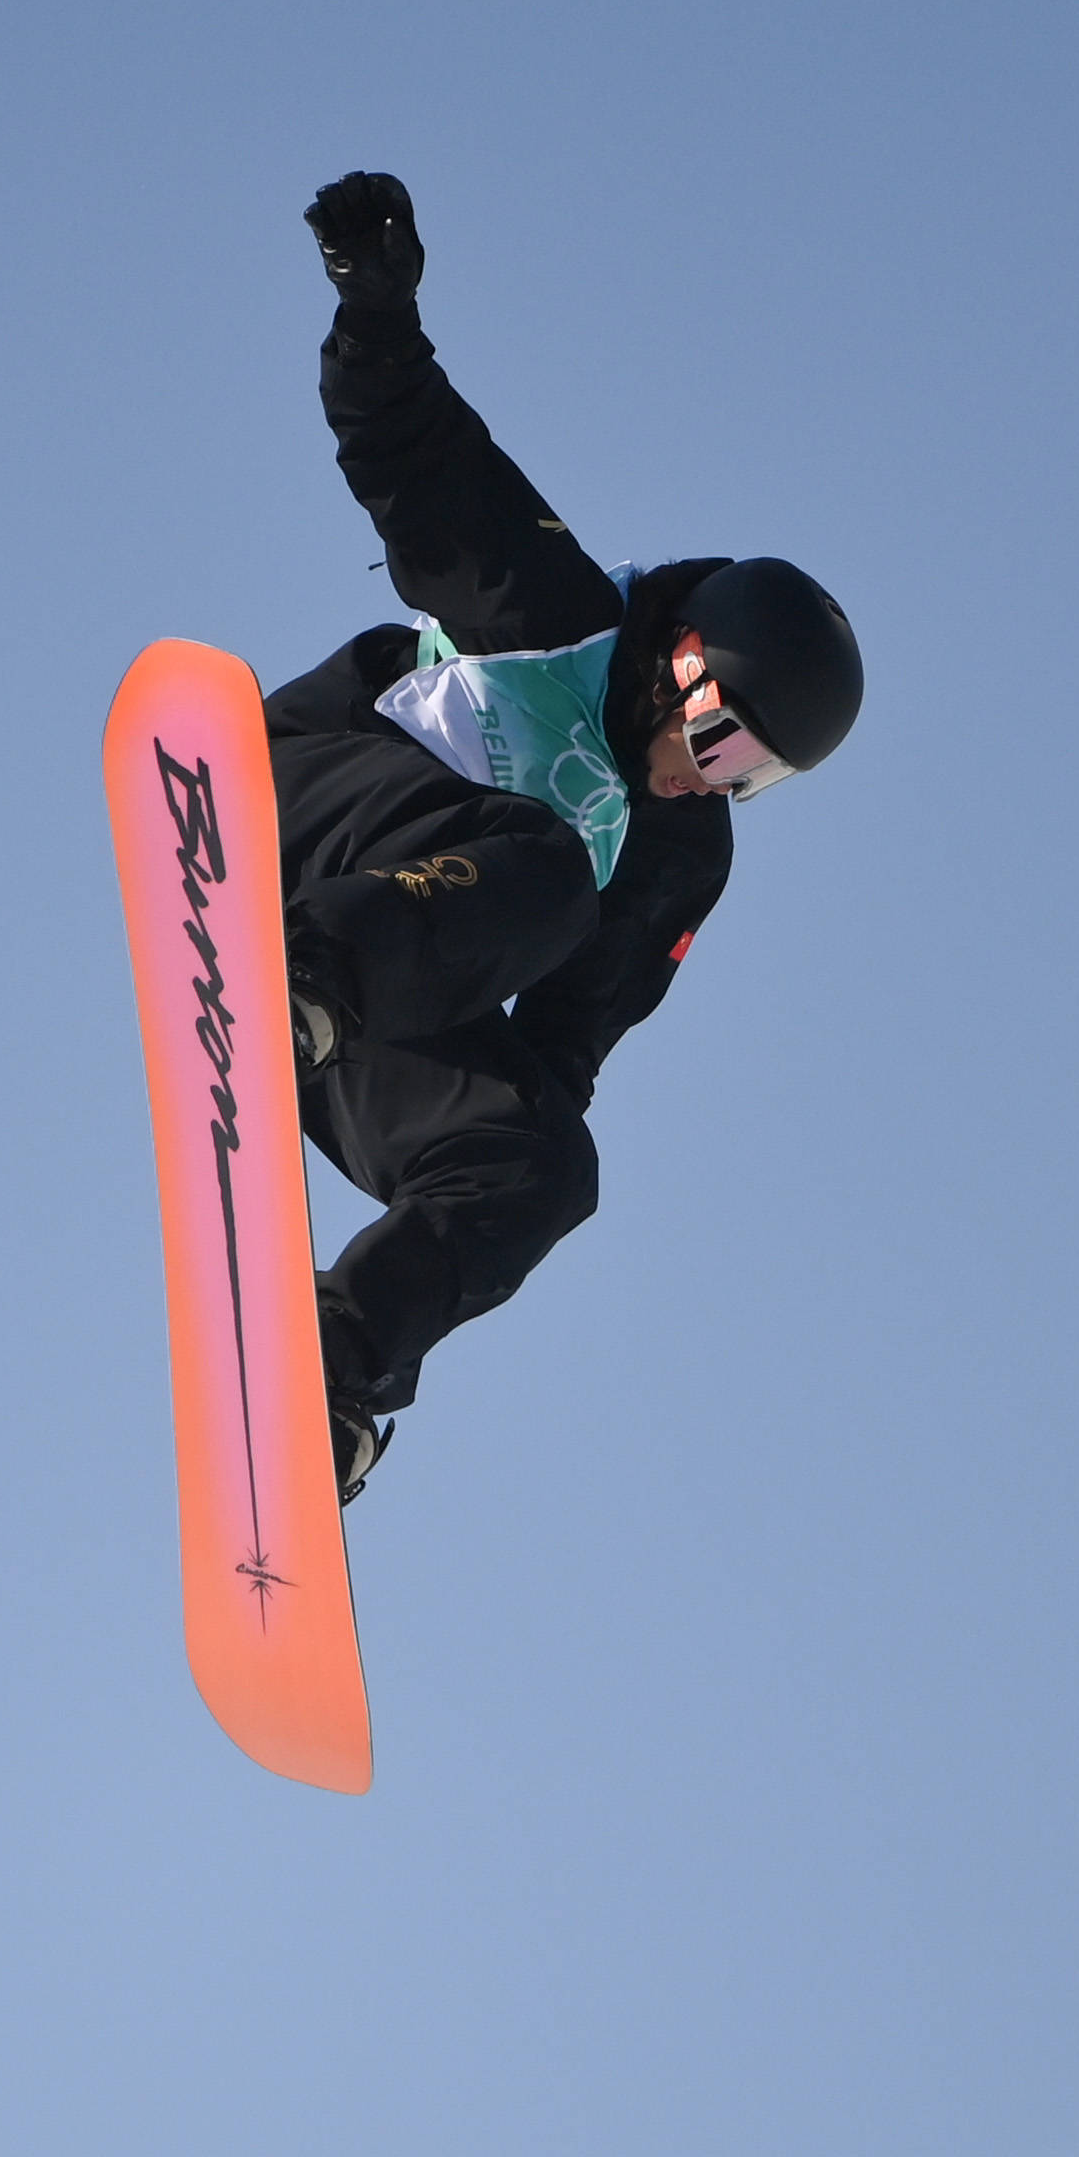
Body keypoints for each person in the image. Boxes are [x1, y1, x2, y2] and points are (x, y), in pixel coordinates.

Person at [268, 170, 862, 1501]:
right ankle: (296, 978)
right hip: (311, 817)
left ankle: (330, 1367)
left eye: (755, 777)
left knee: (549, 1161)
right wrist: (375, 306)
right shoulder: (554, 612)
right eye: (723, 739)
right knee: (548, 872)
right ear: (681, 664)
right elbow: (411, 447)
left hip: (371, 1009)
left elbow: (563, 1044)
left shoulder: (682, 856)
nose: (713, 780)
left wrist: (498, 1150)